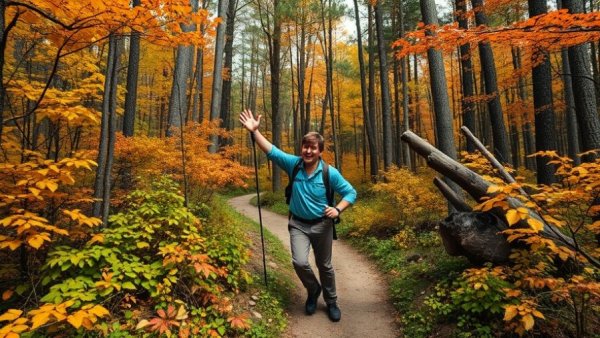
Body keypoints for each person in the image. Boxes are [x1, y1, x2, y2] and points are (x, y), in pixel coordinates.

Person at [239, 109, 357, 322]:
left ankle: (331, 301)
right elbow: (272, 151)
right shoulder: (294, 165)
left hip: (323, 226)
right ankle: (313, 290)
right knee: (300, 262)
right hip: (298, 224)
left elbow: (351, 192)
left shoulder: (330, 172)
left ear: (320, 151)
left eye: (313, 147)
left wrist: (338, 209)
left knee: (325, 266)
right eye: (305, 146)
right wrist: (255, 132)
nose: (308, 151)